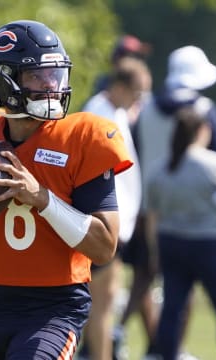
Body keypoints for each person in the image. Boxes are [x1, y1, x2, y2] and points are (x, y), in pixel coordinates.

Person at [0, 20, 133, 360]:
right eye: (37, 76)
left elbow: (104, 247)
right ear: (3, 80)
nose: (52, 85)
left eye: (55, 74)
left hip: (52, 308)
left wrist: (42, 198)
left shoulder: (83, 136)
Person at [120, 45, 216, 359]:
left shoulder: (147, 110)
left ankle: (137, 338)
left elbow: (136, 159)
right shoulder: (206, 110)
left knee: (144, 276)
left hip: (150, 208)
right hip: (195, 217)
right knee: (184, 289)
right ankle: (172, 349)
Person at [146, 105, 216, 360]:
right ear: (202, 131)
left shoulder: (161, 170)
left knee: (172, 311)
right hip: (209, 245)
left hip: (171, 243)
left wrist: (154, 252)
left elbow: (151, 219)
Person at [78, 68, 143, 360]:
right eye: (135, 94)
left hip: (114, 222)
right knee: (103, 304)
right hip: (104, 222)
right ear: (119, 86)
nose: (137, 101)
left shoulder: (114, 112)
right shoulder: (100, 114)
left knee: (98, 305)